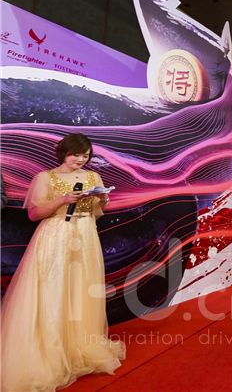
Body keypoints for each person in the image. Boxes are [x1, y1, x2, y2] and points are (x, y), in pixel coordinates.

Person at [1, 133, 125, 391]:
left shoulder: (94, 177)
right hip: (55, 237)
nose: (81, 160)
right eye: (76, 154)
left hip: (86, 236)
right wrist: (62, 199)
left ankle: (79, 345)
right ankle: (51, 351)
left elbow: (96, 212)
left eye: (85, 155)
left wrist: (102, 200)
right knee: (53, 291)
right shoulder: (45, 178)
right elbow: (34, 214)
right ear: (64, 153)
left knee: (81, 290)